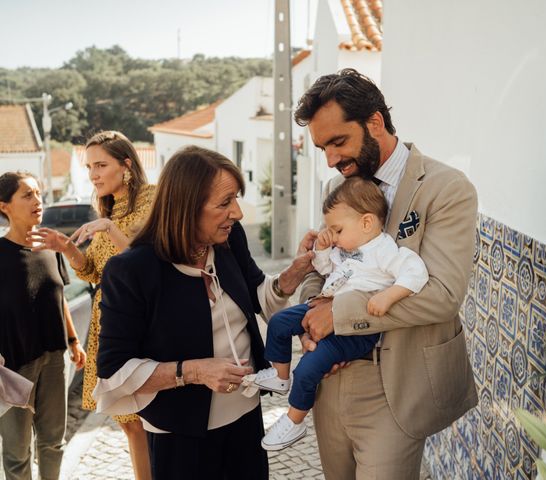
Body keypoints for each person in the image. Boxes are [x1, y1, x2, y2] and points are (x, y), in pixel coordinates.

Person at [293, 68, 479, 479]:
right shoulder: (335, 190)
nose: (331, 159)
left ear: (374, 122)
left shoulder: (446, 188)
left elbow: (444, 293)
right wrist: (311, 316)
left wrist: (338, 315)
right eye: (322, 147)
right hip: (330, 376)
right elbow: (327, 275)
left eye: (338, 142)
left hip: (395, 384)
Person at [91, 146, 315, 479]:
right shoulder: (132, 270)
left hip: (246, 419)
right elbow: (113, 370)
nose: (237, 213)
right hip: (180, 435)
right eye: (225, 203)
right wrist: (193, 372)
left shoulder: (227, 239)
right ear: (186, 208)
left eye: (236, 198)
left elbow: (256, 297)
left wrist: (291, 276)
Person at [256, 177, 428, 451]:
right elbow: (324, 270)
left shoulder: (384, 250)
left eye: (337, 230)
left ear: (367, 223)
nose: (334, 236)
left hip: (354, 332)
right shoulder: (345, 248)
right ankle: (279, 375)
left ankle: (294, 420)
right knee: (278, 322)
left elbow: (415, 272)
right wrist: (323, 247)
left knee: (309, 368)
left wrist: (390, 294)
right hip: (324, 307)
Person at [29, 131, 155, 480]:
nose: (93, 174)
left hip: (142, 320)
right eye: (89, 167)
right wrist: (65, 246)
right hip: (107, 320)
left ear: (126, 164)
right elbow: (92, 272)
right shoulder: (108, 208)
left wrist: (107, 226)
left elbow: (143, 259)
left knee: (150, 419)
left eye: (101, 165)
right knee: (128, 421)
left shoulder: (151, 198)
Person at [0, 172, 86, 480]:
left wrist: (75, 342)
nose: (38, 201)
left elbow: (59, 295)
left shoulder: (50, 245)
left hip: (54, 360)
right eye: (27, 195)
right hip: (12, 366)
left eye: (38, 193)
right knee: (16, 453)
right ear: (4, 205)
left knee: (52, 443)